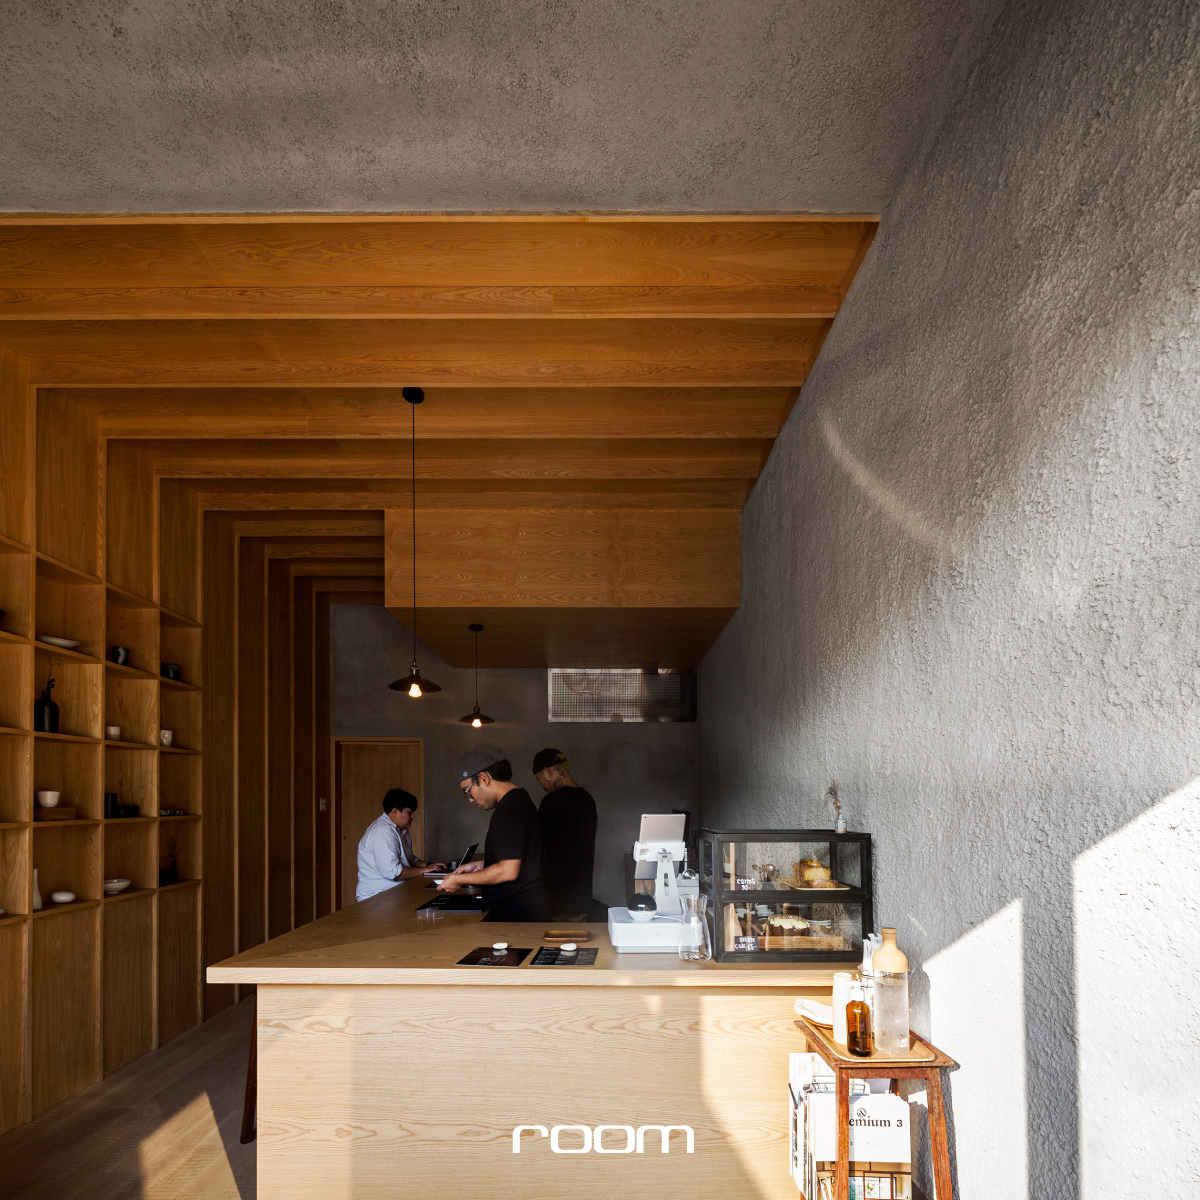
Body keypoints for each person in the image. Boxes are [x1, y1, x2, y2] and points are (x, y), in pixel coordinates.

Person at [438, 744, 551, 922]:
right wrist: (484, 864)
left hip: (518, 915)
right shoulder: (519, 799)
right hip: (527, 909)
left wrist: (460, 880)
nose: (470, 800)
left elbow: (508, 871)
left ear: (484, 778)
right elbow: (520, 857)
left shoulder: (508, 810)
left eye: (467, 791)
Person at [532, 747, 597, 921]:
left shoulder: (551, 802)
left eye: (539, 778)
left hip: (558, 899)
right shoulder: (588, 800)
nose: (542, 785)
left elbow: (539, 848)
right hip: (582, 897)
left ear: (547, 772)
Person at [355, 788, 445, 902]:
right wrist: (423, 870)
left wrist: (430, 866)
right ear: (395, 812)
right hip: (377, 895)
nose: (412, 816)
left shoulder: (401, 829)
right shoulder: (383, 832)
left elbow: (408, 859)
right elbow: (393, 872)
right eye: (409, 812)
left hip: (393, 893)